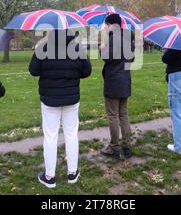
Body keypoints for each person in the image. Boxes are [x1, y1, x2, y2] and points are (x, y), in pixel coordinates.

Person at [29, 30, 92, 188]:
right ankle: (72, 172)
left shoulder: (43, 47)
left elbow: (34, 70)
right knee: (71, 134)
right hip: (68, 98)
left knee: (51, 136)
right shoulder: (77, 47)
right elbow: (86, 70)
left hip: (51, 98)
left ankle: (50, 176)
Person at [100, 14, 135, 160]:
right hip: (125, 80)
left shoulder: (111, 38)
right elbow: (131, 58)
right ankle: (126, 146)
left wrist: (102, 46)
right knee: (123, 115)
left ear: (109, 24)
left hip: (114, 81)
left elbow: (106, 57)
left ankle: (114, 148)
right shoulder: (127, 38)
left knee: (113, 116)